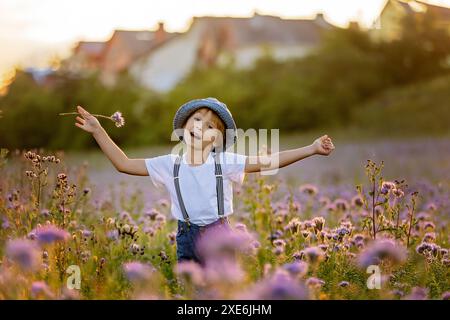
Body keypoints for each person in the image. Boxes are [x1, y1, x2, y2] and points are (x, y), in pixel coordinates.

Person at [74, 97, 335, 263]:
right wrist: (99, 131)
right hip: (185, 237)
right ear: (184, 126)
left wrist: (310, 148)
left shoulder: (224, 162)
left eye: (210, 127)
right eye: (197, 120)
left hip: (219, 235)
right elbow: (124, 164)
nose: (200, 127)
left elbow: (269, 160)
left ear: (218, 140)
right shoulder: (169, 163)